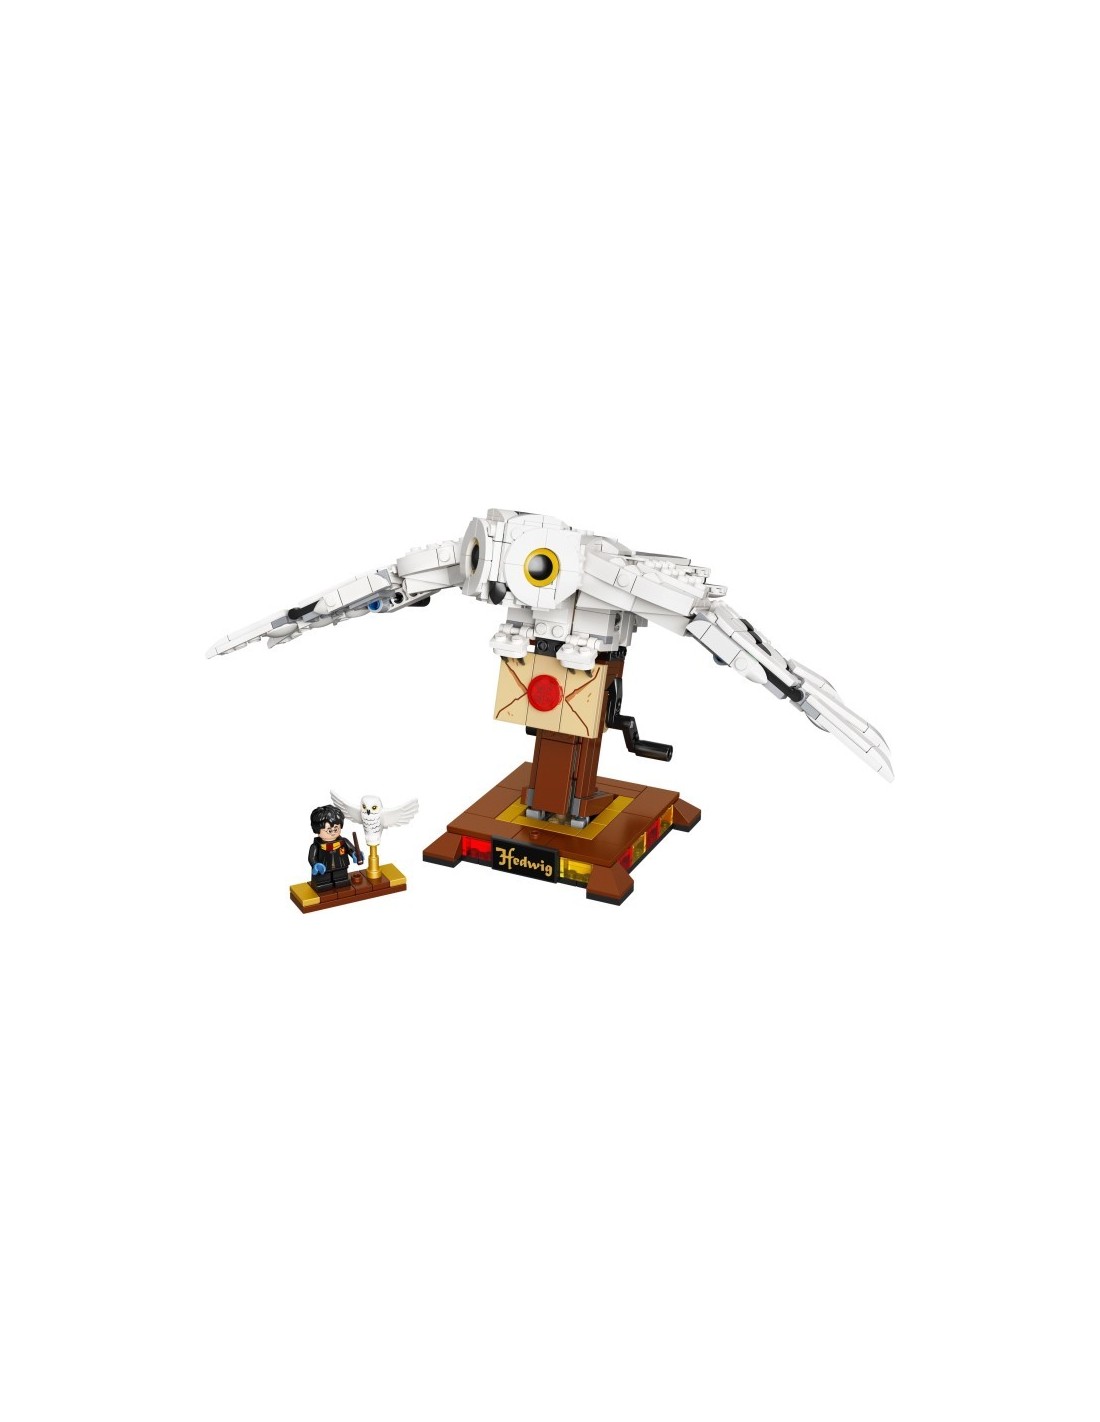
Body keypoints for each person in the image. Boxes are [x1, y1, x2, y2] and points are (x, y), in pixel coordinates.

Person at [308, 805, 363, 891]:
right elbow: (312, 858)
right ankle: (323, 884)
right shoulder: (316, 846)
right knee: (323, 882)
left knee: (341, 878)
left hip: (341, 864)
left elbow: (351, 849)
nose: (333, 832)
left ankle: (341, 882)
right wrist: (315, 864)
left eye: (336, 829)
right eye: (329, 830)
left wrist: (355, 854)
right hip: (324, 868)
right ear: (317, 830)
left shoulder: (343, 841)